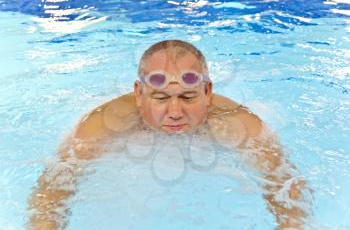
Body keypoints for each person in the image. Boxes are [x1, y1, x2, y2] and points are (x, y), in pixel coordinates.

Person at [28, 40, 311, 230]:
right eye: (161, 98)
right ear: (139, 94)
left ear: (208, 92)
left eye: (188, 97)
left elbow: (286, 185)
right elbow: (52, 190)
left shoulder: (237, 123)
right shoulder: (105, 123)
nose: (175, 112)